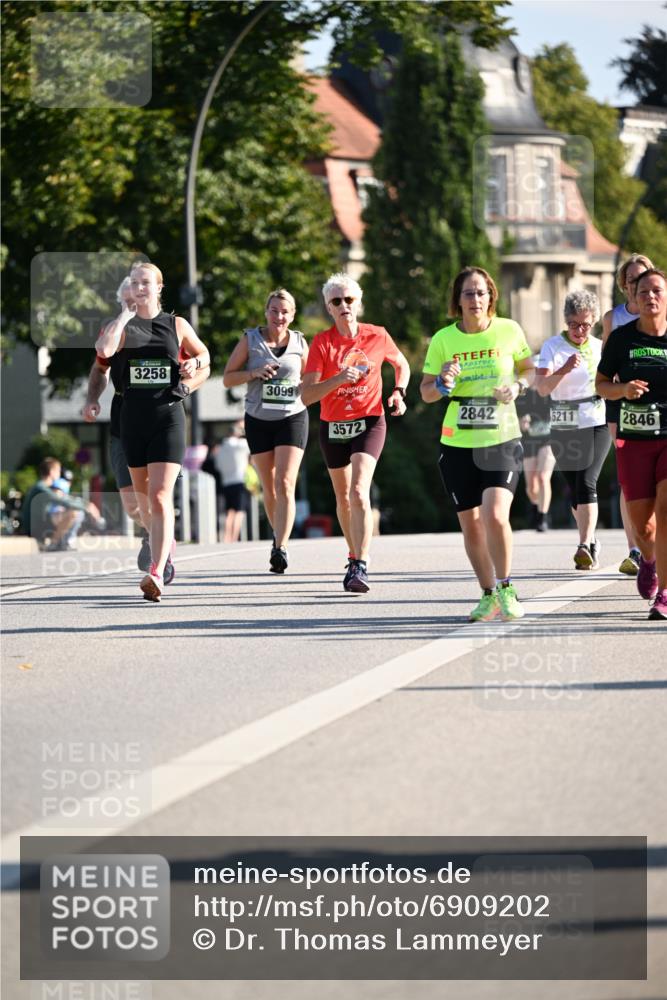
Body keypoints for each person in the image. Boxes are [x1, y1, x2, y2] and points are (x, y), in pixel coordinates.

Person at [420, 265, 534, 622]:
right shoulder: (443, 340)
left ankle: (507, 586)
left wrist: (517, 387)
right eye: (467, 293)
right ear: (458, 300)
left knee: (495, 514)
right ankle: (488, 595)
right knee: (470, 524)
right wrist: (440, 382)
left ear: (491, 297)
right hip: (457, 443)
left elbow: (529, 370)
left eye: (481, 292)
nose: (475, 299)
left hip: (501, 437)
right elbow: (425, 393)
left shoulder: (508, 330)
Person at [96, 261, 210, 602]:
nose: (141, 287)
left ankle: (156, 572)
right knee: (145, 503)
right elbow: (103, 351)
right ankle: (164, 543)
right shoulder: (123, 327)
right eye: (135, 282)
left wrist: (194, 364)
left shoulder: (176, 324)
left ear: (159, 288)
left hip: (168, 417)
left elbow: (204, 353)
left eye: (147, 282)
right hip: (132, 420)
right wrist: (124, 315)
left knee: (160, 496)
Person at [302, 272, 410, 593]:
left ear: (358, 302)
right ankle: (352, 554)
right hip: (333, 425)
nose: (344, 306)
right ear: (329, 308)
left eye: (349, 299)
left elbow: (401, 363)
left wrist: (398, 391)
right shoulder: (322, 343)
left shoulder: (377, 335)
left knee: (359, 491)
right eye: (337, 301)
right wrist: (337, 379)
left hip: (369, 420)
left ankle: (360, 564)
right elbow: (307, 395)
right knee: (343, 497)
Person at [596, 267, 667, 621]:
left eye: (657, 290)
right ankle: (649, 560)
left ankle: (665, 594)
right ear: (634, 299)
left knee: (666, 511)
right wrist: (623, 391)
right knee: (644, 526)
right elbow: (601, 384)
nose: (650, 297)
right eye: (644, 292)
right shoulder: (623, 339)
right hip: (635, 438)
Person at [222, 289, 308, 571]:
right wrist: (253, 373)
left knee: (285, 482)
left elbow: (311, 379)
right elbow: (227, 378)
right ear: (266, 312)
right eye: (274, 310)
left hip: (291, 417)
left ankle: (280, 546)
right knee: (269, 486)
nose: (279, 316)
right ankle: (277, 534)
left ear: (292, 315)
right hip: (258, 419)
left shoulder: (300, 343)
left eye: (285, 312)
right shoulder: (251, 339)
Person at [535, 290, 611, 570]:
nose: (580, 330)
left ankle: (583, 544)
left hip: (595, 417)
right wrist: (564, 368)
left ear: (594, 323)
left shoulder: (600, 346)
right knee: (575, 486)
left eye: (586, 324)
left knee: (587, 481)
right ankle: (590, 540)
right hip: (564, 417)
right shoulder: (552, 347)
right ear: (566, 321)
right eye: (574, 324)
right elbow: (542, 388)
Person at [602, 253, 654, 575]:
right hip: (621, 404)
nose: (639, 284)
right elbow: (606, 364)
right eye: (633, 279)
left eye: (644, 277)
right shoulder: (613, 319)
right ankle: (635, 549)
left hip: (656, 402)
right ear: (624, 285)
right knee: (630, 478)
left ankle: (653, 542)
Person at [20, 457, 103, 549]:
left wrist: (86, 504)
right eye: (58, 471)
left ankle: (62, 543)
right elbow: (62, 501)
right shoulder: (41, 488)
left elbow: (66, 499)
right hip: (35, 527)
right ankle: (53, 544)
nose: (59, 474)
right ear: (52, 472)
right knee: (73, 513)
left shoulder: (44, 487)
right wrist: (87, 506)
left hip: (41, 522)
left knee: (76, 513)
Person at [516, 370, 554, 531]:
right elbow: (516, 423)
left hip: (550, 440)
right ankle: (536, 505)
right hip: (529, 441)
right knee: (531, 486)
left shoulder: (552, 393)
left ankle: (542, 518)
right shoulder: (522, 397)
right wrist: (522, 422)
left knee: (542, 476)